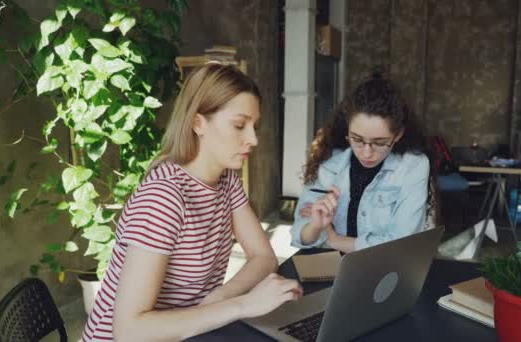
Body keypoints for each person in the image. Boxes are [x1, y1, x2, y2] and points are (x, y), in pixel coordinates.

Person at [83, 64, 302, 341]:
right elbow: (129, 331)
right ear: (198, 123)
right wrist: (241, 305)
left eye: (254, 126)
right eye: (239, 125)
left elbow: (264, 257)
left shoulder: (226, 181)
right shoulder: (163, 198)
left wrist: (220, 297)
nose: (253, 139)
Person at [290, 72, 432, 253]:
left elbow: (401, 245)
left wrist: (336, 240)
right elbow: (299, 234)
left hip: (386, 269)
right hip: (328, 266)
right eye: (357, 139)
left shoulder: (413, 166)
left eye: (380, 143)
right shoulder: (330, 160)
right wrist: (315, 226)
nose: (366, 153)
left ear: (398, 135)